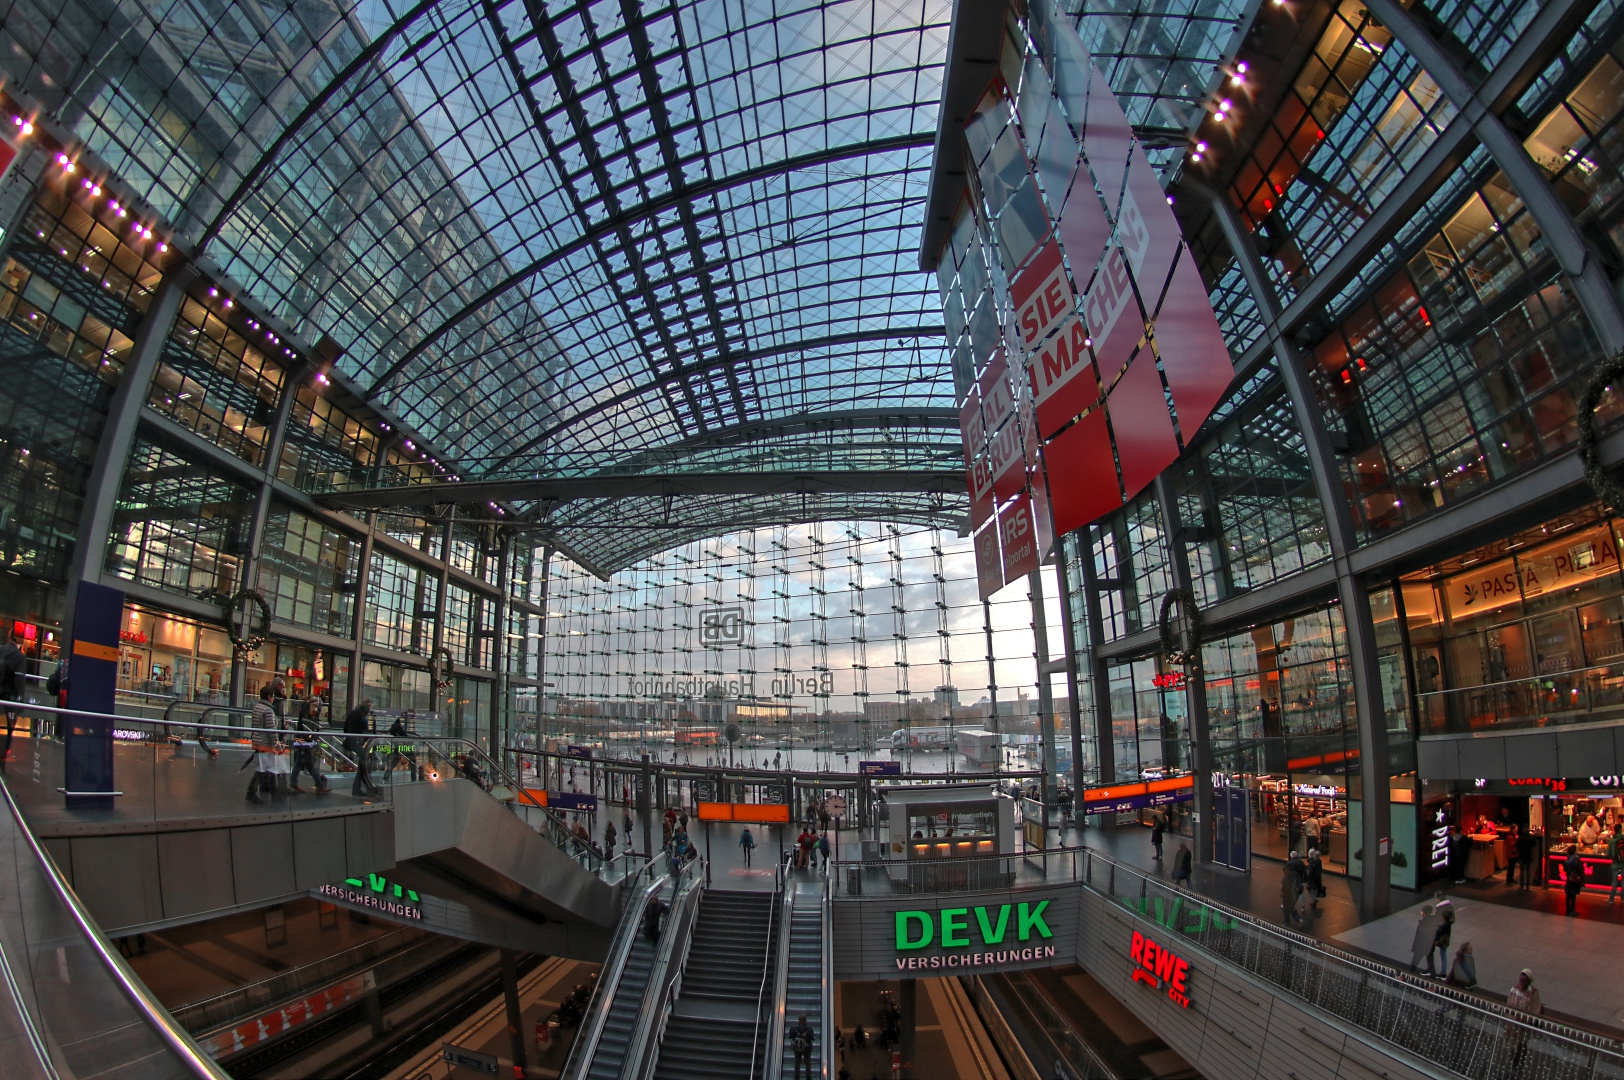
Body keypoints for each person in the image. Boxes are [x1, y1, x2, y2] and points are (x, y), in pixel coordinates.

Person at [247, 685, 278, 804]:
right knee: (262, 768)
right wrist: (276, 743)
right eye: (273, 696)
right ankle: (251, 791)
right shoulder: (268, 710)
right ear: (269, 697)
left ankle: (268, 787)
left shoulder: (257, 707)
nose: (273, 699)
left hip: (257, 740)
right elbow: (271, 729)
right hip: (265, 742)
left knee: (265, 766)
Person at [343, 699, 381, 797]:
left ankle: (358, 788)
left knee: (362, 764)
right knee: (364, 764)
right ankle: (365, 786)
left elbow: (345, 727)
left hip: (349, 740)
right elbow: (367, 732)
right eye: (371, 707)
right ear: (368, 706)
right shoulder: (363, 717)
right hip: (358, 742)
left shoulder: (352, 713)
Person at [288, 702, 329, 793]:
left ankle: (296, 782)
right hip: (304, 743)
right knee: (306, 764)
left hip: (304, 742)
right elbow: (311, 728)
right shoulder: (307, 719)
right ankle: (319, 785)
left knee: (303, 764)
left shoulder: (307, 717)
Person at [0, 626, 25, 761]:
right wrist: (19, 704)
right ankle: (5, 752)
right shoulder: (19, 657)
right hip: (9, 699)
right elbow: (19, 682)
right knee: (9, 726)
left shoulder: (1, 649)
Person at [1410, 904, 1441, 975]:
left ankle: (1407, 975)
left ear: (1424, 913)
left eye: (1421, 911)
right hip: (1429, 946)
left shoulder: (1423, 923)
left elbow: (1419, 937)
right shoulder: (1434, 921)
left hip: (1421, 947)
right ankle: (1433, 979)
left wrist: (1415, 947)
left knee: (1414, 962)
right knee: (1431, 963)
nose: (1420, 912)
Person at [1430, 892, 1454, 975]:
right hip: (1446, 935)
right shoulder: (1450, 907)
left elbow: (1436, 922)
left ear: (1439, 898)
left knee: (1431, 952)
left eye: (1436, 898)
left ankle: (1433, 970)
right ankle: (1443, 972)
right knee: (1443, 953)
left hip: (1440, 935)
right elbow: (1452, 919)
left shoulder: (1440, 908)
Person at [789, 1013, 814, 1079]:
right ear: (806, 1020)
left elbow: (790, 1036)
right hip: (807, 1048)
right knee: (807, 1062)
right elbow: (813, 1038)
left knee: (797, 1062)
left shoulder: (794, 1028)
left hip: (797, 1049)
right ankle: (808, 1076)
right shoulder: (809, 1029)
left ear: (799, 1020)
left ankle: (797, 1076)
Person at [1282, 853, 1304, 925]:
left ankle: (1287, 921)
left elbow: (1284, 888)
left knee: (1288, 908)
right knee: (1291, 907)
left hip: (1288, 895)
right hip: (1296, 892)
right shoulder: (1295, 874)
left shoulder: (1285, 878)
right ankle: (1298, 919)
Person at [1565, 847, 1585, 915]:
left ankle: (1568, 910)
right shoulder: (1576, 859)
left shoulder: (1567, 859)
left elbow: (1565, 869)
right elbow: (1580, 870)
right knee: (1573, 895)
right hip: (1575, 879)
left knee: (1568, 895)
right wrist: (1583, 879)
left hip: (1569, 879)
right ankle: (1572, 910)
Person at [1517, 827, 1537, 891]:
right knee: (1528, 871)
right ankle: (1527, 886)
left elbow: (1517, 846)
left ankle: (1521, 886)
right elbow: (1534, 845)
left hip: (1522, 855)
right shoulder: (1531, 837)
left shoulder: (1520, 838)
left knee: (1522, 871)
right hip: (1528, 855)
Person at [1610, 828, 1624, 904]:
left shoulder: (1612, 841)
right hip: (1623, 864)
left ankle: (1611, 899)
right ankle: (1623, 898)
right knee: (1623, 881)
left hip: (1615, 864)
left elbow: (1608, 854)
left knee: (1615, 882)